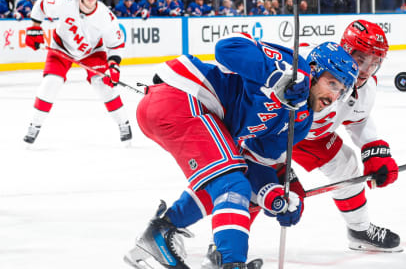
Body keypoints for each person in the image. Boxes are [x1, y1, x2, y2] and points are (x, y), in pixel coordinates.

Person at [124, 39, 358, 269]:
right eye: (333, 84)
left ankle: (161, 231)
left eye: (342, 91)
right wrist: (276, 76)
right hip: (181, 96)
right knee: (232, 185)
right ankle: (230, 262)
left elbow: (257, 163)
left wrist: (273, 195)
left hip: (192, 114)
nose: (334, 97)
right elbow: (226, 49)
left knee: (234, 178)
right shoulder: (292, 67)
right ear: (315, 72)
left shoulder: (301, 122)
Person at [291, 20, 401, 251]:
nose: (366, 71)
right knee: (254, 182)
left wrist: (374, 150)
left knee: (345, 164)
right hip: (274, 131)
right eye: (361, 60)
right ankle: (226, 244)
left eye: (375, 63)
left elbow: (357, 119)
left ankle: (359, 230)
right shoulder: (307, 66)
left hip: (314, 137)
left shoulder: (367, 88)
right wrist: (282, 173)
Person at [22, 0, 132, 144]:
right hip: (61, 47)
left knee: (103, 86)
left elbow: (115, 46)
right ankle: (34, 125)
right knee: (51, 83)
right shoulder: (65, 1)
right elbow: (41, 4)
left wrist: (114, 66)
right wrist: (35, 28)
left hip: (92, 52)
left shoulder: (106, 17)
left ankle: (123, 123)